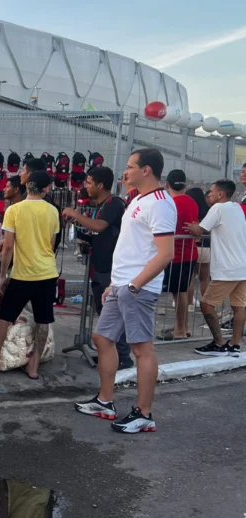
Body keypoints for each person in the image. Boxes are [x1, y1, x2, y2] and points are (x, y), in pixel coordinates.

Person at [75, 149, 176, 434]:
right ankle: (105, 401)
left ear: (146, 170)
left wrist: (134, 284)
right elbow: (131, 248)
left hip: (137, 289)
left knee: (142, 350)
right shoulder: (136, 200)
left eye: (130, 167)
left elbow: (165, 253)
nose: (125, 172)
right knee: (102, 338)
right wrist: (115, 283)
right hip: (121, 285)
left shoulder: (160, 204)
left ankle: (144, 414)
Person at [0, 170, 59, 380]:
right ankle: (34, 366)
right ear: (46, 189)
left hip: (22, 274)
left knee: (4, 316)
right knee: (43, 319)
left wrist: (2, 276)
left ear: (27, 187)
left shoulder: (14, 210)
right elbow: (51, 245)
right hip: (47, 272)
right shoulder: (53, 211)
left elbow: (8, 247)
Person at [62, 167, 132, 369]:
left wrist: (75, 214)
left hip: (111, 269)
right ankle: (111, 356)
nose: (86, 186)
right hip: (100, 266)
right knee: (106, 314)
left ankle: (122, 358)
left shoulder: (113, 203)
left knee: (114, 315)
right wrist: (84, 238)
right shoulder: (102, 205)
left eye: (89, 183)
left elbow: (100, 226)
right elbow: (101, 233)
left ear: (100, 185)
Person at [185, 179, 246, 356]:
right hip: (242, 267)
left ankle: (219, 344)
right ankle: (234, 344)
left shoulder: (218, 208)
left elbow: (199, 230)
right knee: (239, 306)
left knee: (206, 304)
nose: (208, 195)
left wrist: (192, 226)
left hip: (227, 268)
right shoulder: (236, 208)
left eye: (211, 192)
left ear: (220, 194)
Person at [158, 170, 199, 341]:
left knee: (178, 292)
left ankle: (180, 330)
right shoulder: (192, 203)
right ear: (185, 185)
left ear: (167, 185)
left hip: (176, 253)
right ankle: (184, 327)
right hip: (190, 253)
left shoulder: (170, 204)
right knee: (181, 291)